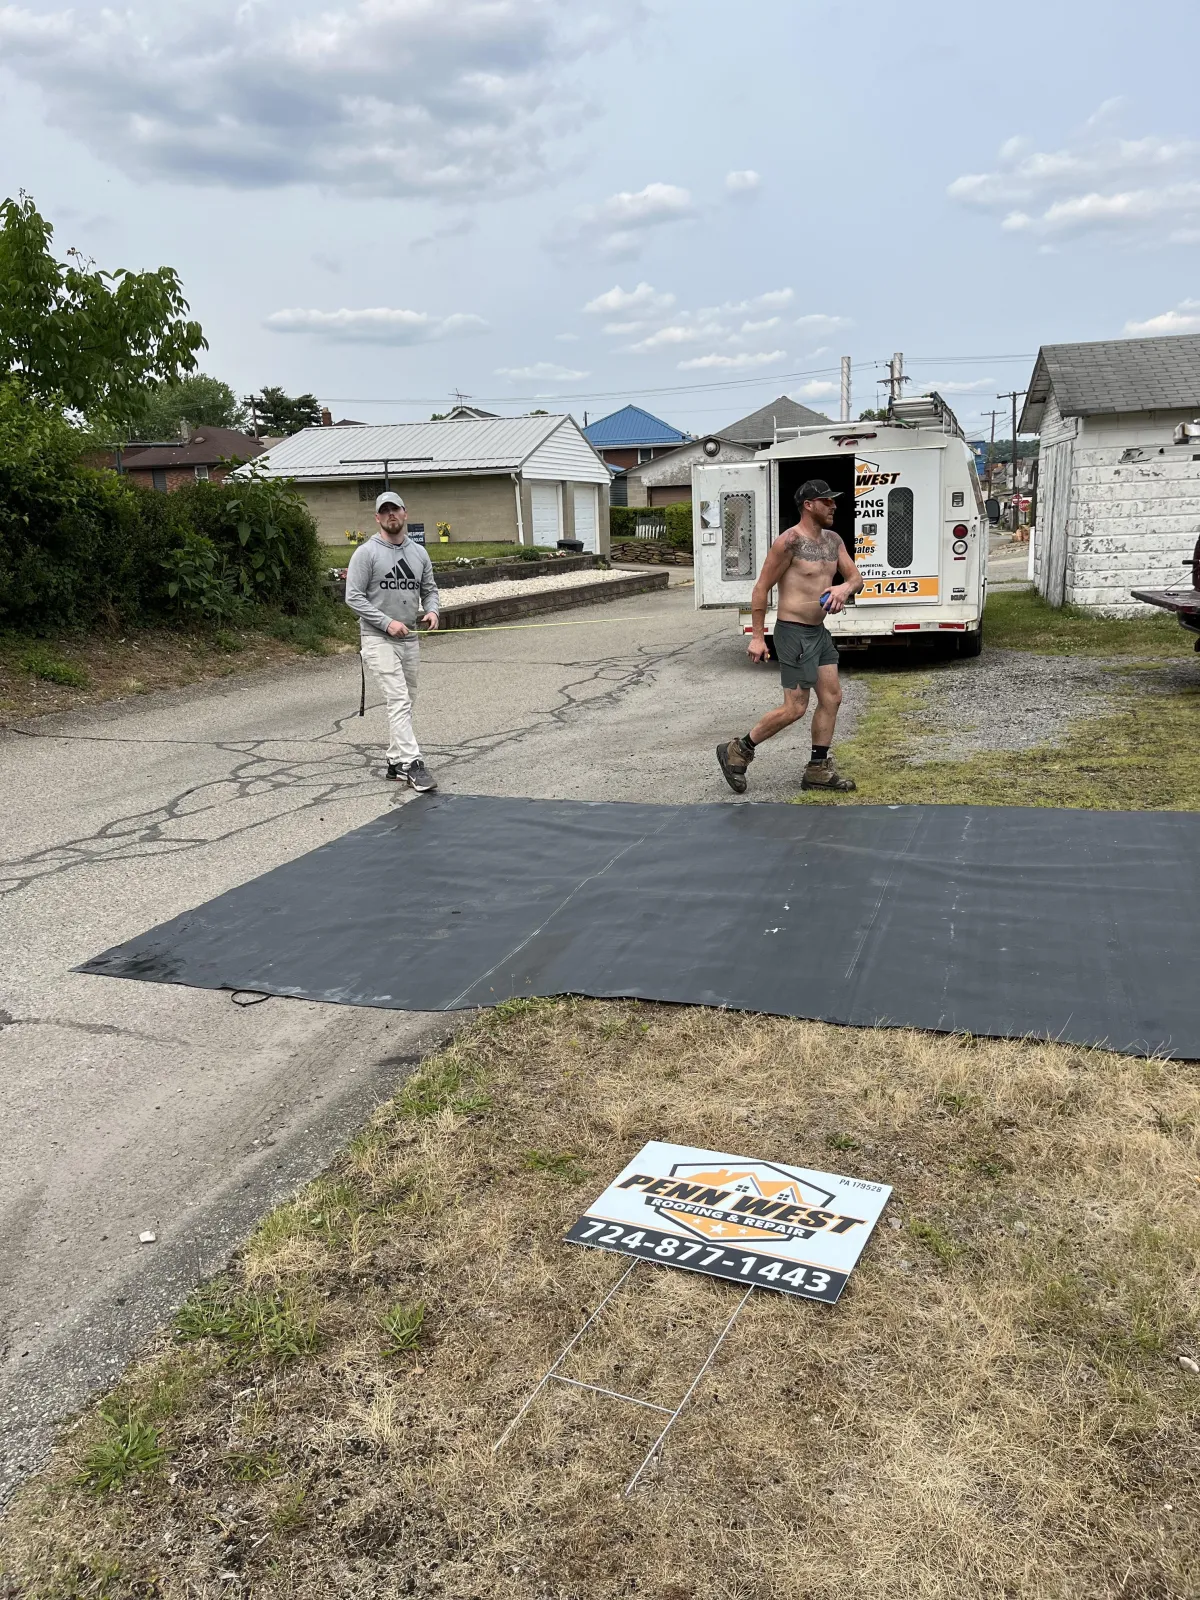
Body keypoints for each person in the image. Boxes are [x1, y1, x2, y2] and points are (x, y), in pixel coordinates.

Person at [717, 478, 863, 795]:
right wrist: (757, 637)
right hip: (793, 632)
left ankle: (817, 771)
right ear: (808, 504)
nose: (834, 505)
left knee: (832, 698)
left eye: (833, 500)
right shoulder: (788, 542)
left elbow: (855, 578)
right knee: (796, 707)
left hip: (818, 632)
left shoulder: (834, 540)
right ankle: (738, 749)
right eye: (827, 500)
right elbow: (761, 588)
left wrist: (843, 588)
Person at [345, 491, 441, 791]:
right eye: (384, 511)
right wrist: (387, 623)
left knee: (408, 700)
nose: (391, 515)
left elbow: (430, 589)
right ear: (377, 517)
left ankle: (395, 760)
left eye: (395, 510)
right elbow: (353, 597)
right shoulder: (366, 553)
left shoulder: (419, 553)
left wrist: (433, 611)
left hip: (409, 638)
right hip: (377, 638)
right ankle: (413, 764)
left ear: (405, 513)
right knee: (398, 699)